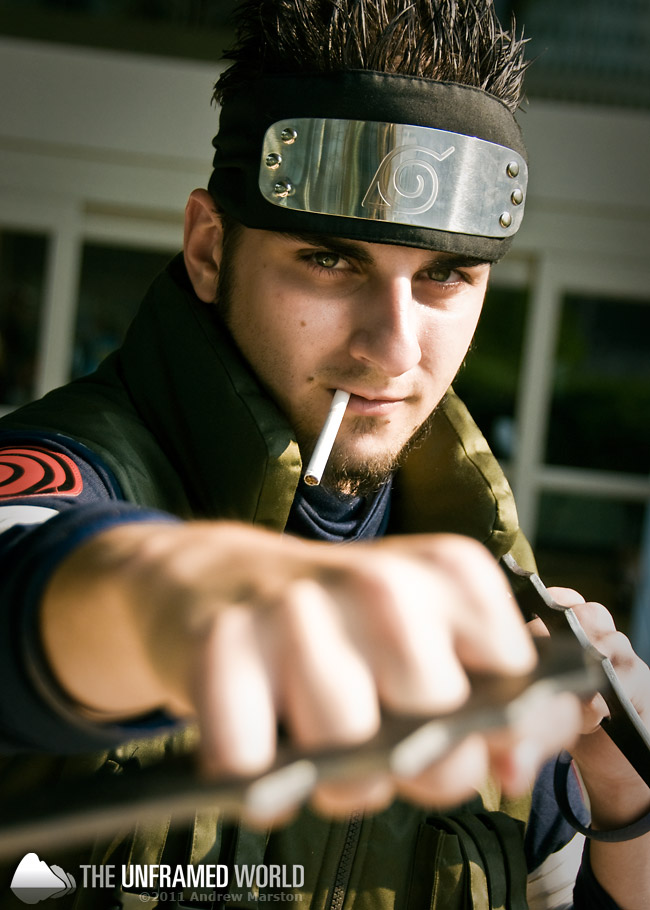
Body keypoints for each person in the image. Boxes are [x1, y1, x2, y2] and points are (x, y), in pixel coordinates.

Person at [0, 1, 648, 908]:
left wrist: (626, 803)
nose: (393, 348)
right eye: (330, 261)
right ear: (209, 248)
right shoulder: (80, 466)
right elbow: (30, 558)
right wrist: (184, 600)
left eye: (442, 275)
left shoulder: (492, 579)